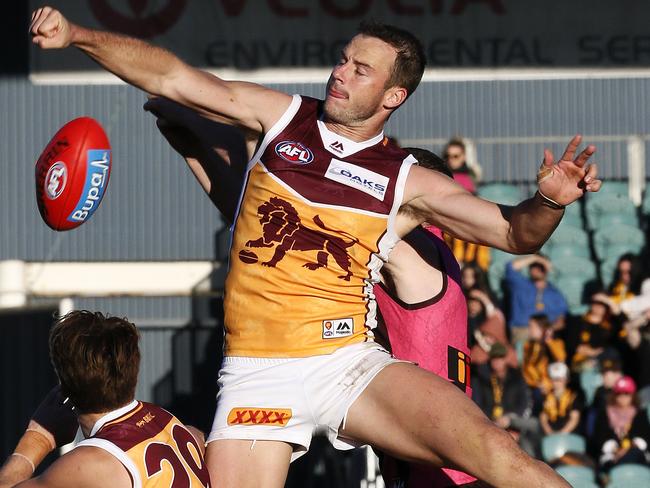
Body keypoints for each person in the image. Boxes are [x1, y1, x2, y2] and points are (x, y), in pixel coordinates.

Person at [30, 6, 602, 487]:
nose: (339, 73)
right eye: (342, 60)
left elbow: (512, 234)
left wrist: (548, 202)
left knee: (498, 454)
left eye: (360, 69)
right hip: (257, 374)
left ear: (393, 94)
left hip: (346, 362)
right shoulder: (282, 119)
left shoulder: (406, 179)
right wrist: (78, 35)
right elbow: (174, 79)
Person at [151, 100, 478, 486]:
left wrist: (197, 119)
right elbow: (256, 220)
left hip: (435, 465)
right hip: (435, 448)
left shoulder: (412, 252)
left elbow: (292, 219)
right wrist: (194, 147)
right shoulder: (421, 249)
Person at [0, 310, 210, 487]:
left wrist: (37, 440)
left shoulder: (91, 462)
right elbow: (198, 436)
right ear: (133, 371)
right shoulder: (166, 420)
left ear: (64, 386)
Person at [442, 139, 489, 271]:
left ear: (463, 157)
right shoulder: (442, 175)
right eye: (448, 156)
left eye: (455, 156)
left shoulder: (467, 178)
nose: (451, 160)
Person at [590, 376, 650, 472]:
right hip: (611, 457)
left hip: (636, 456)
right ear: (614, 395)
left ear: (633, 395)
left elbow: (644, 437)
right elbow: (599, 439)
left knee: (635, 455)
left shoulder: (640, 414)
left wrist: (626, 450)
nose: (622, 397)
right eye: (619, 393)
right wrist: (615, 450)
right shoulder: (605, 413)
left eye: (626, 393)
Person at [505, 254, 569, 343]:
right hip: (522, 330)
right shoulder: (520, 284)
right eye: (534, 266)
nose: (537, 269)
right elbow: (510, 268)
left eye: (541, 267)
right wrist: (535, 258)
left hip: (545, 333)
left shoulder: (555, 293)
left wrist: (549, 328)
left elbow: (562, 318)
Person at [522, 314, 566, 397]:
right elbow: (527, 369)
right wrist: (535, 383)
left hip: (549, 387)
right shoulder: (528, 346)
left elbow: (561, 358)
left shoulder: (555, 343)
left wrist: (548, 340)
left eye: (532, 327)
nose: (529, 330)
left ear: (542, 329)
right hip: (532, 386)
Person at [539, 362, 583, 436]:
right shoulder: (547, 396)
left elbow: (574, 418)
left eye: (559, 379)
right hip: (550, 433)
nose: (556, 382)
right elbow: (543, 417)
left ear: (566, 380)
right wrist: (549, 432)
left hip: (569, 434)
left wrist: (562, 433)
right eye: (554, 379)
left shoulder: (573, 396)